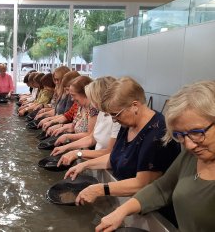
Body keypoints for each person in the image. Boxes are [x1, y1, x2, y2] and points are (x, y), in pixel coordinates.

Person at [96, 80, 215, 232]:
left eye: (197, 133)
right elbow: (162, 187)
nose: (190, 145)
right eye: (180, 135)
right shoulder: (191, 155)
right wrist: (122, 211)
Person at [64, 77, 180, 206]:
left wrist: (100, 189)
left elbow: (142, 184)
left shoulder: (157, 133)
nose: (114, 120)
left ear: (135, 106)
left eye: (116, 114)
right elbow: (116, 156)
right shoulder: (128, 123)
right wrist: (84, 165)